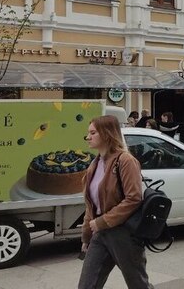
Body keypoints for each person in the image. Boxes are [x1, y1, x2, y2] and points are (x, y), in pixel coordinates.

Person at [79, 115, 152, 289]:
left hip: (123, 234)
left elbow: (134, 198)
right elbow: (91, 204)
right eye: (88, 133)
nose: (88, 137)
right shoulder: (94, 165)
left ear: (106, 134)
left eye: (93, 133)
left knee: (138, 285)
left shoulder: (125, 161)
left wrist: (102, 222)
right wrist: (86, 235)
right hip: (100, 234)